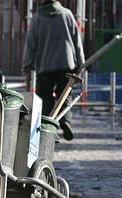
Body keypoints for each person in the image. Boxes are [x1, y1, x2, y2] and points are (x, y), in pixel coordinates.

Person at [22, 0, 85, 141]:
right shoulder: (67, 14)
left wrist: (27, 65)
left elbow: (30, 43)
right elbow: (77, 41)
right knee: (64, 95)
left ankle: (47, 129)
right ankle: (65, 121)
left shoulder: (37, 18)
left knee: (45, 98)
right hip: (67, 64)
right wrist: (81, 63)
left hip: (45, 65)